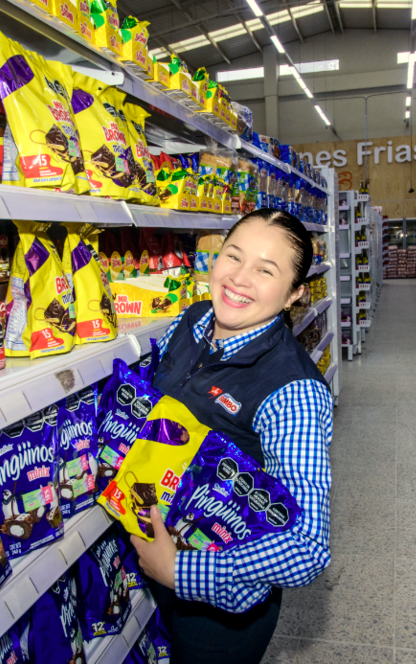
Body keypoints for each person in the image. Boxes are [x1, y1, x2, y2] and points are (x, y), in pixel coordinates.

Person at [130, 209, 334, 663]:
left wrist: (180, 571)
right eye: (233, 257)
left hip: (217, 614)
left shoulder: (293, 393)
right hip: (151, 557)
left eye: (266, 270)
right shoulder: (193, 319)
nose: (239, 279)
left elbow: (306, 548)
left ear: (294, 294)